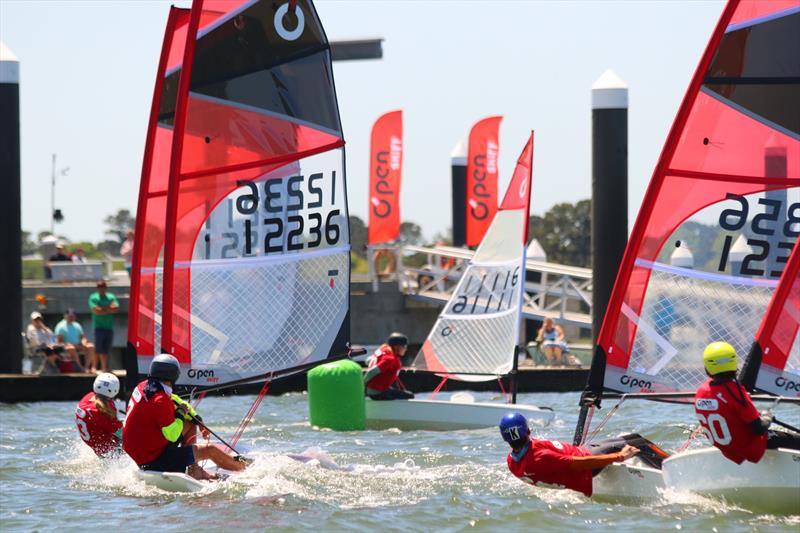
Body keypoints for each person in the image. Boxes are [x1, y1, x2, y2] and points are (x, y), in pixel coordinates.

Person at [123, 354, 249, 480]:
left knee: (190, 423)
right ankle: (246, 469)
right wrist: (180, 414)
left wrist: (197, 418)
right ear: (174, 375)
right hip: (154, 460)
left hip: (139, 454)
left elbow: (176, 400)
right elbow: (173, 435)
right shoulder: (161, 401)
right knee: (210, 450)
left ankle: (195, 470)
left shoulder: (145, 386)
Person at [500, 412, 668, 497]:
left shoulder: (512, 461)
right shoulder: (539, 457)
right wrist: (620, 457)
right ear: (528, 430)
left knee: (629, 438)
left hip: (583, 451)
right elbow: (580, 463)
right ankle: (670, 467)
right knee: (638, 442)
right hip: (586, 464)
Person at [694, 342, 800, 464]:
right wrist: (767, 417)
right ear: (734, 363)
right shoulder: (735, 391)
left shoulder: (701, 392)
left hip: (727, 449)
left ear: (707, 368)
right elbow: (758, 429)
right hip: (748, 449)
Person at [76, 373, 123, 457]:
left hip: (94, 443)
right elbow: (122, 434)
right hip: (107, 450)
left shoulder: (88, 397)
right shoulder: (103, 412)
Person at [364, 332, 415, 400]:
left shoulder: (384, 348)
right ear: (397, 347)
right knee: (410, 395)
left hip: (377, 389)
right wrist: (361, 387)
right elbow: (371, 372)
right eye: (404, 346)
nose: (406, 349)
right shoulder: (390, 359)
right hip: (378, 393)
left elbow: (367, 360)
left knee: (398, 391)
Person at [88, 280, 118, 372]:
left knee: (106, 349)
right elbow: (96, 310)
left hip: (109, 327)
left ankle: (104, 367)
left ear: (106, 287)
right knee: (98, 348)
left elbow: (115, 308)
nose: (101, 288)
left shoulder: (111, 296)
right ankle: (95, 367)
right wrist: (108, 309)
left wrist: (102, 309)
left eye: (103, 286)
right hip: (98, 327)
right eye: (99, 287)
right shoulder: (93, 297)